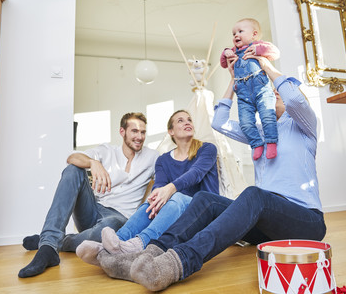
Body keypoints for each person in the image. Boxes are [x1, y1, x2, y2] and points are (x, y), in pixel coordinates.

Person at [94, 56, 326, 291]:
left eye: (279, 92)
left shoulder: (304, 126)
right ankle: (151, 252)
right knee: (205, 199)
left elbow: (295, 99)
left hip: (305, 221)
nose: (276, 93)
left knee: (254, 195)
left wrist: (265, 65)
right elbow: (220, 123)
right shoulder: (259, 133)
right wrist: (234, 80)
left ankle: (178, 262)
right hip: (267, 228)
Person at [18, 112, 159, 278]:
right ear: (122, 132)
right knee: (73, 169)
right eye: (134, 131)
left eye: (143, 132)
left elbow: (165, 179)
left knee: (110, 228)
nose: (139, 136)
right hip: (93, 209)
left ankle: (50, 242)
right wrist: (93, 162)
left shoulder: (153, 157)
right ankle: (48, 245)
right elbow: (72, 157)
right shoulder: (107, 151)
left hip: (119, 218)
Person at [75, 110, 219, 268]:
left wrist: (170, 189)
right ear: (170, 131)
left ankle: (139, 244)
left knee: (176, 197)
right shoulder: (163, 160)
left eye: (189, 119)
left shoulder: (207, 149)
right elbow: (158, 187)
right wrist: (157, 197)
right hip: (177, 215)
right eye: (180, 120)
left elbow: (196, 174)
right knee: (153, 201)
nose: (187, 122)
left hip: (205, 211)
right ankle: (109, 246)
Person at [220, 18, 280, 160]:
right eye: (234, 33)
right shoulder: (234, 51)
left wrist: (259, 49)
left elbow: (275, 53)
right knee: (245, 123)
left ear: (254, 34)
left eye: (240, 31)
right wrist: (226, 52)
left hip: (262, 90)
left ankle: (271, 142)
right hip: (243, 95)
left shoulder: (258, 45)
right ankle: (256, 144)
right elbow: (223, 64)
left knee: (268, 117)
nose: (235, 35)